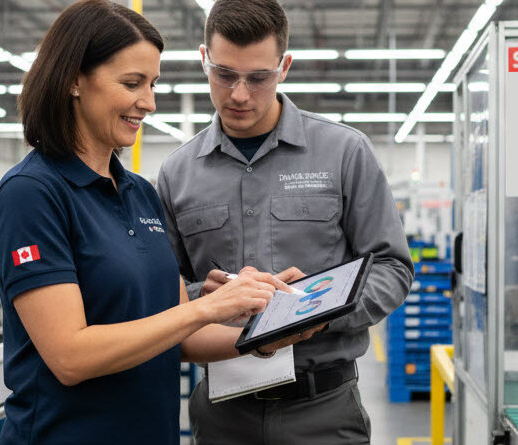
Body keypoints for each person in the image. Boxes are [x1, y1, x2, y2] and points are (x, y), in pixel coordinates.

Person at [0, 1, 300, 444]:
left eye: (152, 83)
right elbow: (70, 356)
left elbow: (180, 335)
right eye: (132, 83)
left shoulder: (139, 192)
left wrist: (268, 332)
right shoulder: (31, 194)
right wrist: (204, 307)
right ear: (74, 78)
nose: (148, 102)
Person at [155, 0, 415, 443]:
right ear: (204, 60)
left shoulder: (344, 153)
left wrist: (318, 310)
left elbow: (393, 268)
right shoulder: (176, 173)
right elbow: (166, 291)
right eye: (224, 74)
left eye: (258, 77)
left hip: (322, 408)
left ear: (284, 67)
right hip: (222, 413)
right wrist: (208, 297)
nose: (239, 93)